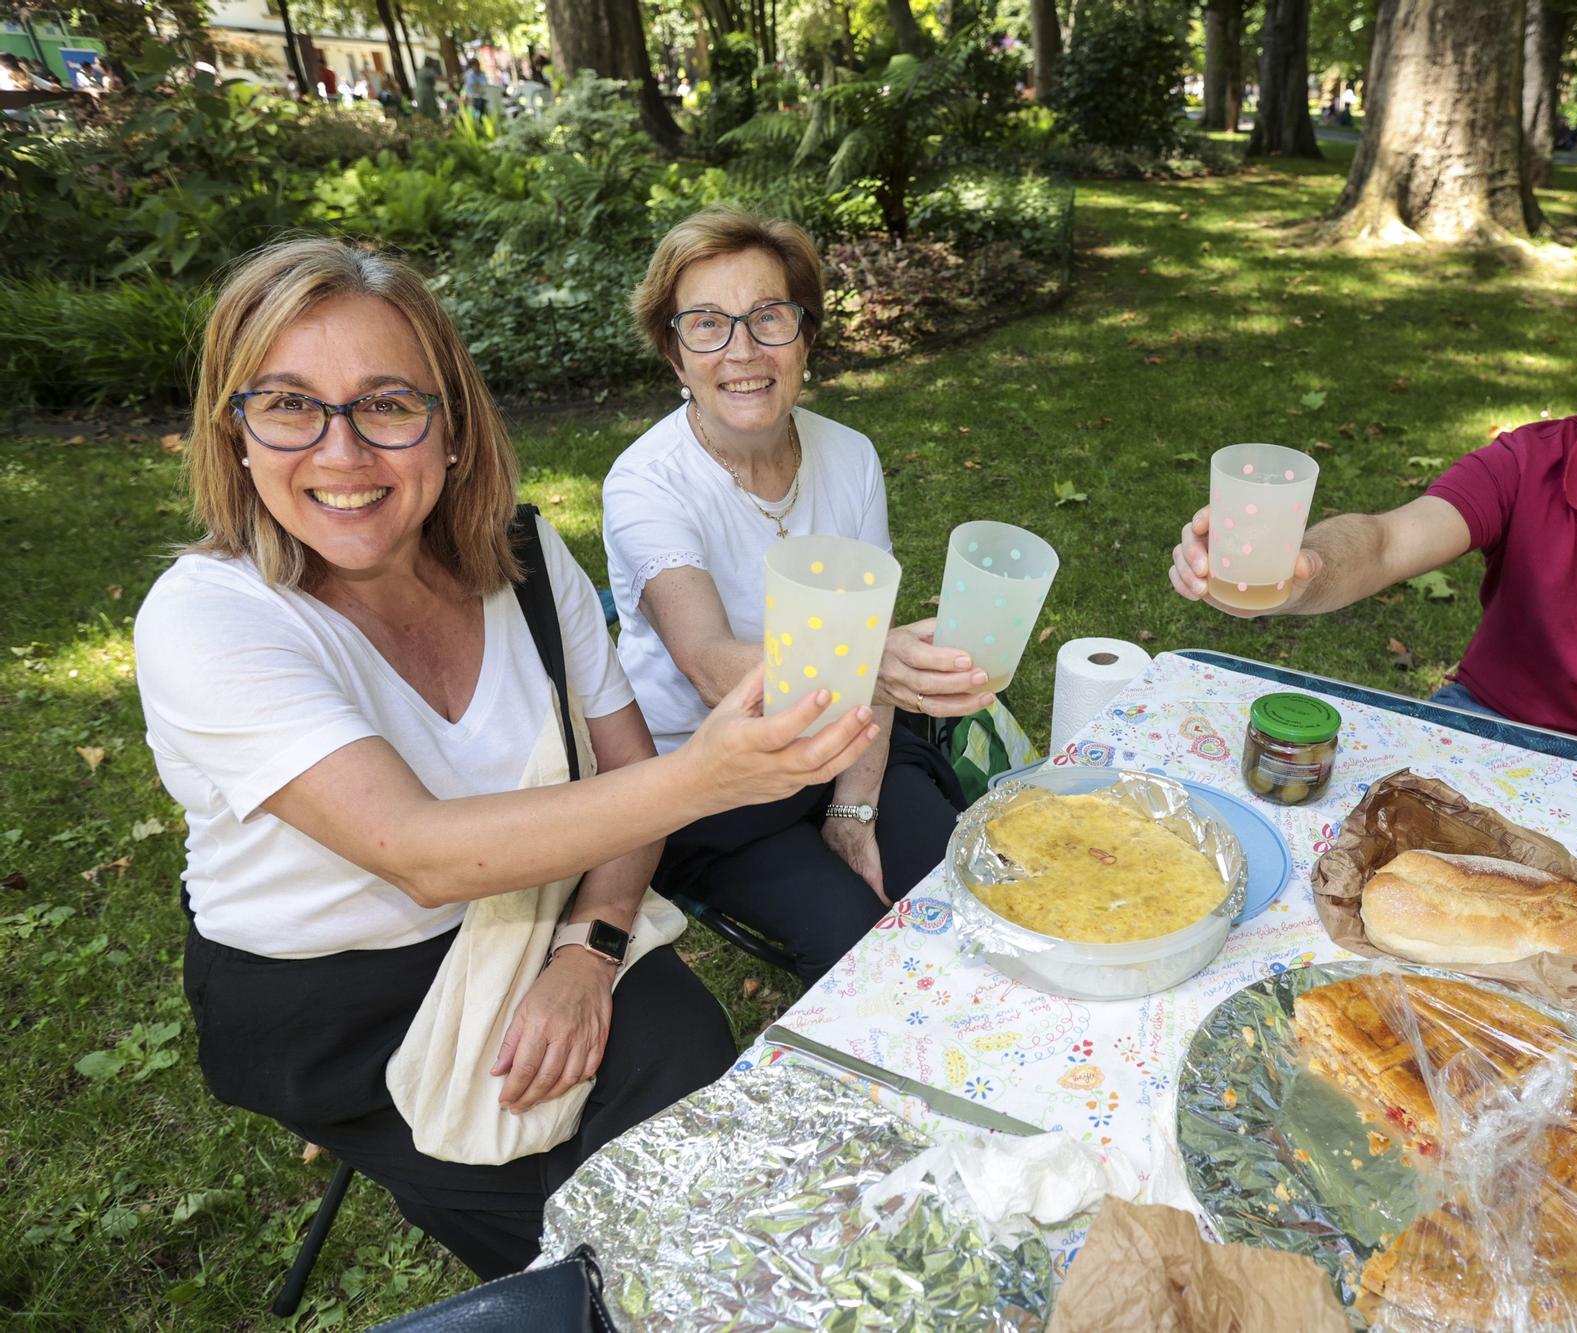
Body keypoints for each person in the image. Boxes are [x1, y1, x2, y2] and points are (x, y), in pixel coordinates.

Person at [134, 238, 880, 1280]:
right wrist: (710, 772)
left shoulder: (523, 563)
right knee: (601, 1246)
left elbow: (625, 789)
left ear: (450, 427)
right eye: (291, 404)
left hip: (541, 915)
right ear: (238, 434)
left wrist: (589, 947)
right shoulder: (208, 616)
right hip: (336, 998)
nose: (342, 453)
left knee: (701, 1088)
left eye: (389, 404)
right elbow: (419, 852)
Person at [1169, 216, 1577, 1051]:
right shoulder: (1528, 460)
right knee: (1325, 883)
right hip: (1485, 716)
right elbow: (1383, 540)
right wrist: (1300, 566)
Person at [605, 207, 991, 983]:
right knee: (856, 949)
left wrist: (854, 809)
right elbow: (714, 668)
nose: (742, 350)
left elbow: (870, 643)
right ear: (674, 353)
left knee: (965, 891)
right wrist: (877, 665)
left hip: (848, 741)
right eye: (707, 324)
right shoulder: (644, 484)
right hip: (714, 775)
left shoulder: (849, 456)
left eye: (769, 318)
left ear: (806, 336)